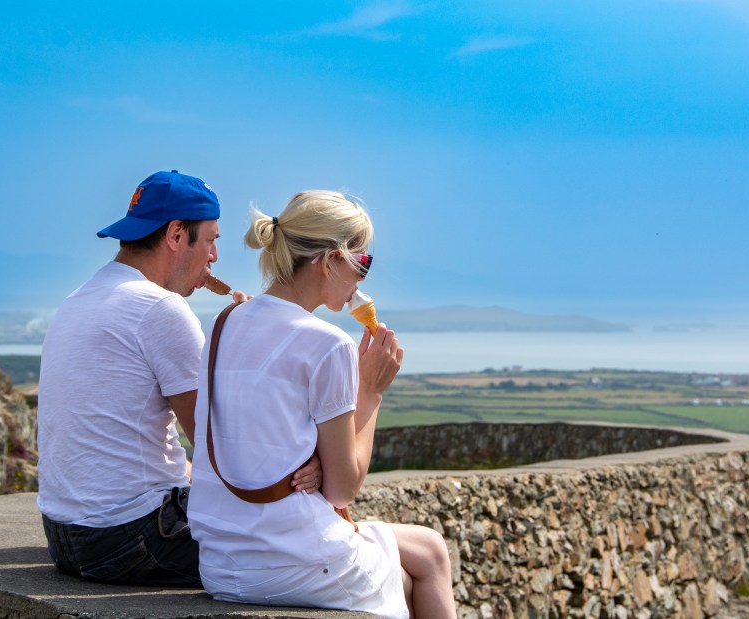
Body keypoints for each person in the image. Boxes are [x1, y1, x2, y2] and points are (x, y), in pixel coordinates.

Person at [36, 170, 320, 587]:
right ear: (175, 234)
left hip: (65, 533)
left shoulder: (80, 297)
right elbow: (219, 447)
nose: (215, 256)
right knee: (313, 553)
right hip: (132, 537)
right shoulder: (160, 309)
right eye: (210, 239)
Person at [188, 191, 456, 618]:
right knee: (433, 554)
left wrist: (314, 454)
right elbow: (342, 489)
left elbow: (263, 428)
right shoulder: (327, 343)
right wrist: (371, 391)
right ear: (330, 260)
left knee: (416, 565)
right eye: (363, 262)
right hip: (290, 558)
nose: (363, 279)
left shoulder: (224, 323)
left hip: (221, 561)